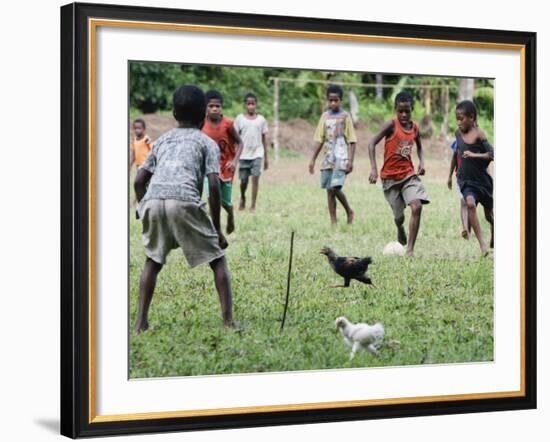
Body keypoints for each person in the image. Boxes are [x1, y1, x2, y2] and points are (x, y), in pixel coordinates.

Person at [133, 85, 237, 335]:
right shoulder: (206, 142)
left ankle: (140, 324)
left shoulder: (163, 140)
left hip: (154, 199)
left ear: (173, 113)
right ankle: (228, 322)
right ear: (204, 116)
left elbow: (138, 180)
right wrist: (217, 229)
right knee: (217, 259)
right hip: (185, 200)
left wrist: (141, 206)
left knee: (153, 260)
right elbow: (213, 185)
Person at [368, 91, 429, 257]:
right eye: (400, 111)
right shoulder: (391, 125)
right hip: (390, 179)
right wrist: (373, 168)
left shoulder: (415, 127)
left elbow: (420, 148)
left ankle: (409, 250)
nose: (404, 114)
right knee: (399, 216)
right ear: (395, 109)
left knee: (416, 206)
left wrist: (421, 162)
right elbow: (371, 143)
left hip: (408, 175)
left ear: (412, 110)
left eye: (407, 111)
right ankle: (399, 227)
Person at [309, 85, 357, 225]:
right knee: (329, 191)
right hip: (328, 157)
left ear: (341, 100)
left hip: (341, 157)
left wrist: (351, 161)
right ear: (327, 101)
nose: (333, 103)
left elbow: (352, 140)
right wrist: (312, 159)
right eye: (330, 100)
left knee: (334, 187)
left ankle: (349, 210)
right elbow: (319, 139)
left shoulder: (345, 116)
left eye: (336, 100)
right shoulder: (324, 116)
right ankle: (333, 222)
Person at [454, 100, 494, 255]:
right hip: (466, 180)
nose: (458, 122)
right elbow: (457, 153)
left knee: (489, 215)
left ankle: (493, 227)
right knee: (470, 204)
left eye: (461, 118)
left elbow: (492, 154)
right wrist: (454, 172)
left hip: (483, 182)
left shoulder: (479, 133)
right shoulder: (457, 133)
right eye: (456, 118)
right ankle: (482, 245)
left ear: (471, 117)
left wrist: (474, 155)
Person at [202, 90, 243, 234]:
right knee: (212, 198)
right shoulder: (201, 123)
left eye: (217, 106)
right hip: (208, 168)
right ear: (205, 107)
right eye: (211, 106)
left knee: (225, 202)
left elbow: (240, 143)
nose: (214, 109)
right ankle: (216, 230)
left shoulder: (228, 124)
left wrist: (234, 161)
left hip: (226, 167)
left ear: (222, 108)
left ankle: (230, 214)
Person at [234, 93, 269, 212]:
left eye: (253, 104)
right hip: (243, 154)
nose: (251, 106)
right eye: (248, 104)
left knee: (255, 178)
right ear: (245, 105)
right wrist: (234, 155)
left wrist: (266, 158)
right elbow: (235, 137)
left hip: (257, 154)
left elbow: (264, 139)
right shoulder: (239, 119)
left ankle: (253, 205)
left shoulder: (261, 120)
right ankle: (243, 197)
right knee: (244, 181)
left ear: (256, 105)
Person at [447, 139, 470, 239]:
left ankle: (469, 227)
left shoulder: (478, 139)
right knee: (464, 202)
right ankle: (465, 228)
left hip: (476, 178)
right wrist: (450, 176)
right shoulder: (458, 141)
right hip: (461, 177)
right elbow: (454, 158)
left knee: (471, 204)